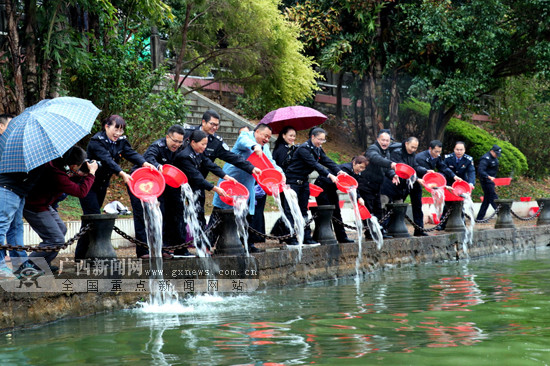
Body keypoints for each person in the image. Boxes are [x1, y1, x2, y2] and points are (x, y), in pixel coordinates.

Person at [75, 115, 155, 260]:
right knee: (92, 218)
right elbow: (106, 160)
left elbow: (130, 153)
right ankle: (88, 255)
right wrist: (121, 173)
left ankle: (83, 255)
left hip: (102, 185)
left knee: (91, 220)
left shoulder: (121, 141)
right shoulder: (96, 142)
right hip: (88, 185)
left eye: (121, 130)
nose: (118, 134)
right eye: (115, 129)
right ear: (106, 126)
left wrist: (144, 163)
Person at [20, 147, 97, 273]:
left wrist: (80, 175)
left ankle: (42, 263)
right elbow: (80, 192)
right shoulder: (55, 173)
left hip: (44, 204)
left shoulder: (58, 164)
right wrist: (91, 174)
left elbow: (67, 180)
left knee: (61, 230)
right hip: (35, 207)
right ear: (73, 165)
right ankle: (26, 268)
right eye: (80, 165)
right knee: (56, 239)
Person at [184, 109, 257, 225]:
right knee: (175, 210)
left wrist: (251, 168)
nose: (214, 127)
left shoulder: (216, 142)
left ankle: (199, 241)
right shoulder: (187, 133)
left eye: (217, 125)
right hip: (179, 180)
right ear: (203, 122)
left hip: (199, 182)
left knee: (198, 213)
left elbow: (232, 157)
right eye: (212, 124)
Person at [211, 124, 274, 252]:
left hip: (248, 186)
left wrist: (281, 176)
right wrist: (255, 146)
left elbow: (271, 164)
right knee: (219, 214)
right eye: (265, 136)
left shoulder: (265, 147)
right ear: (256, 132)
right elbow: (244, 141)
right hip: (230, 183)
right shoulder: (245, 136)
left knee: (246, 216)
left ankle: (247, 244)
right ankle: (207, 245)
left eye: (269, 137)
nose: (267, 139)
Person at [128, 125, 187, 259]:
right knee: (142, 214)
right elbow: (150, 158)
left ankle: (163, 248)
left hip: (159, 184)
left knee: (163, 214)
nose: (176, 144)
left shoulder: (180, 148)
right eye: (174, 141)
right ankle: (143, 251)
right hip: (140, 181)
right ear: (167, 137)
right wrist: (158, 166)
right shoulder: (157, 146)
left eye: (179, 142)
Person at [173, 129, 237, 252]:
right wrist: (215, 189)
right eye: (202, 144)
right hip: (181, 191)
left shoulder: (199, 152)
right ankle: (180, 249)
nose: (205, 147)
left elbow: (209, 164)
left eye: (206, 144)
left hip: (196, 190)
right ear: (193, 142)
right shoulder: (184, 156)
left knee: (199, 217)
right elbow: (196, 177)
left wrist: (225, 176)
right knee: (182, 218)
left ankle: (202, 246)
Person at [278, 127, 343, 246]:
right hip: (292, 182)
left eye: (323, 140)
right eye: (319, 139)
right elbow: (314, 164)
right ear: (312, 137)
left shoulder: (318, 149)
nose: (321, 142)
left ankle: (306, 237)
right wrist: (329, 175)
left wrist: (338, 171)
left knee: (304, 210)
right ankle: (290, 237)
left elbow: (326, 160)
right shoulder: (304, 149)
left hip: (304, 182)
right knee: (290, 210)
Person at [380, 137, 428, 236]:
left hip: (407, 183)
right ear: (406, 144)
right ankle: (383, 229)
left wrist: (425, 171)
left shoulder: (412, 154)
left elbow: (414, 166)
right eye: (412, 147)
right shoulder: (397, 153)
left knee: (417, 205)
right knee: (387, 207)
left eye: (415, 148)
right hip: (393, 183)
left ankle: (419, 229)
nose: (413, 150)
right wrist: (417, 179)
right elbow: (403, 169)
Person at [411, 140, 462, 233]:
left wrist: (454, 176)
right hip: (414, 180)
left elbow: (443, 167)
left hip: (424, 181)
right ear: (430, 149)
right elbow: (422, 173)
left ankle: (419, 231)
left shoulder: (437, 157)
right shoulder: (420, 158)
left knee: (418, 206)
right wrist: (442, 185)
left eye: (439, 152)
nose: (438, 154)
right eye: (436, 152)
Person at [314, 155, 368, 243]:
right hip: (322, 185)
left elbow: (354, 186)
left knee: (336, 212)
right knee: (326, 212)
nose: (361, 170)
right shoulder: (345, 169)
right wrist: (357, 197)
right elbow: (348, 185)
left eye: (363, 168)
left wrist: (359, 197)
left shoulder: (356, 173)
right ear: (354, 163)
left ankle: (342, 237)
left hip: (331, 188)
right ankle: (326, 237)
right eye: (360, 167)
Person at [359, 130, 399, 239]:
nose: (385, 142)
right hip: (366, 184)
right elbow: (376, 159)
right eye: (383, 140)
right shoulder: (373, 149)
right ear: (378, 140)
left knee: (378, 210)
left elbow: (386, 168)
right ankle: (370, 233)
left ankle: (378, 231)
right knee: (369, 210)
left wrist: (392, 175)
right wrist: (390, 164)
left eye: (387, 140)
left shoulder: (387, 152)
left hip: (377, 185)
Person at [476, 145, 502, 220]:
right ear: (492, 151)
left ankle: (480, 217)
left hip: (491, 181)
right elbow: (481, 170)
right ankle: (501, 213)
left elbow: (494, 172)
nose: (497, 156)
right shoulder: (485, 159)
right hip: (486, 180)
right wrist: (488, 177)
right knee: (493, 197)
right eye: (496, 154)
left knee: (487, 199)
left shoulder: (495, 159)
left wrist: (494, 181)